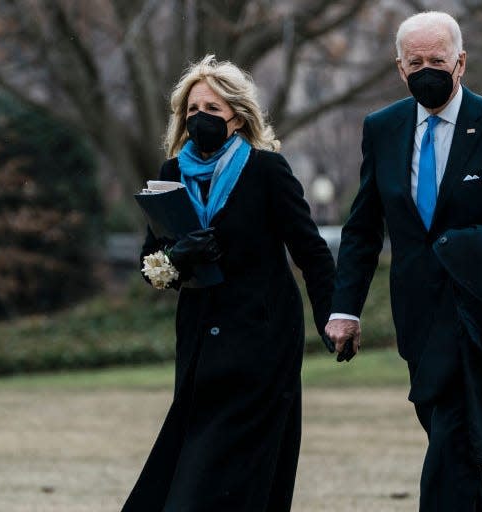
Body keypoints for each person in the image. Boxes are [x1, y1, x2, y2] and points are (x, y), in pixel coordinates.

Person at [324, 11, 482, 511]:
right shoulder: (383, 128)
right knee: (452, 453)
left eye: (436, 59)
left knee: (451, 456)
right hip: (419, 323)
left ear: (460, 63)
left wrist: (477, 247)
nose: (426, 69)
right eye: (414, 62)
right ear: (399, 68)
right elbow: (363, 227)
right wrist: (345, 309)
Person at [122, 55, 335, 512]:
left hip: (262, 343)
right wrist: (178, 256)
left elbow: (312, 252)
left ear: (237, 118)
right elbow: (149, 263)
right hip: (200, 346)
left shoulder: (267, 171)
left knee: (233, 480)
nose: (201, 119)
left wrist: (332, 316)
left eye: (212, 110)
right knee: (189, 472)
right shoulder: (170, 176)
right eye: (192, 111)